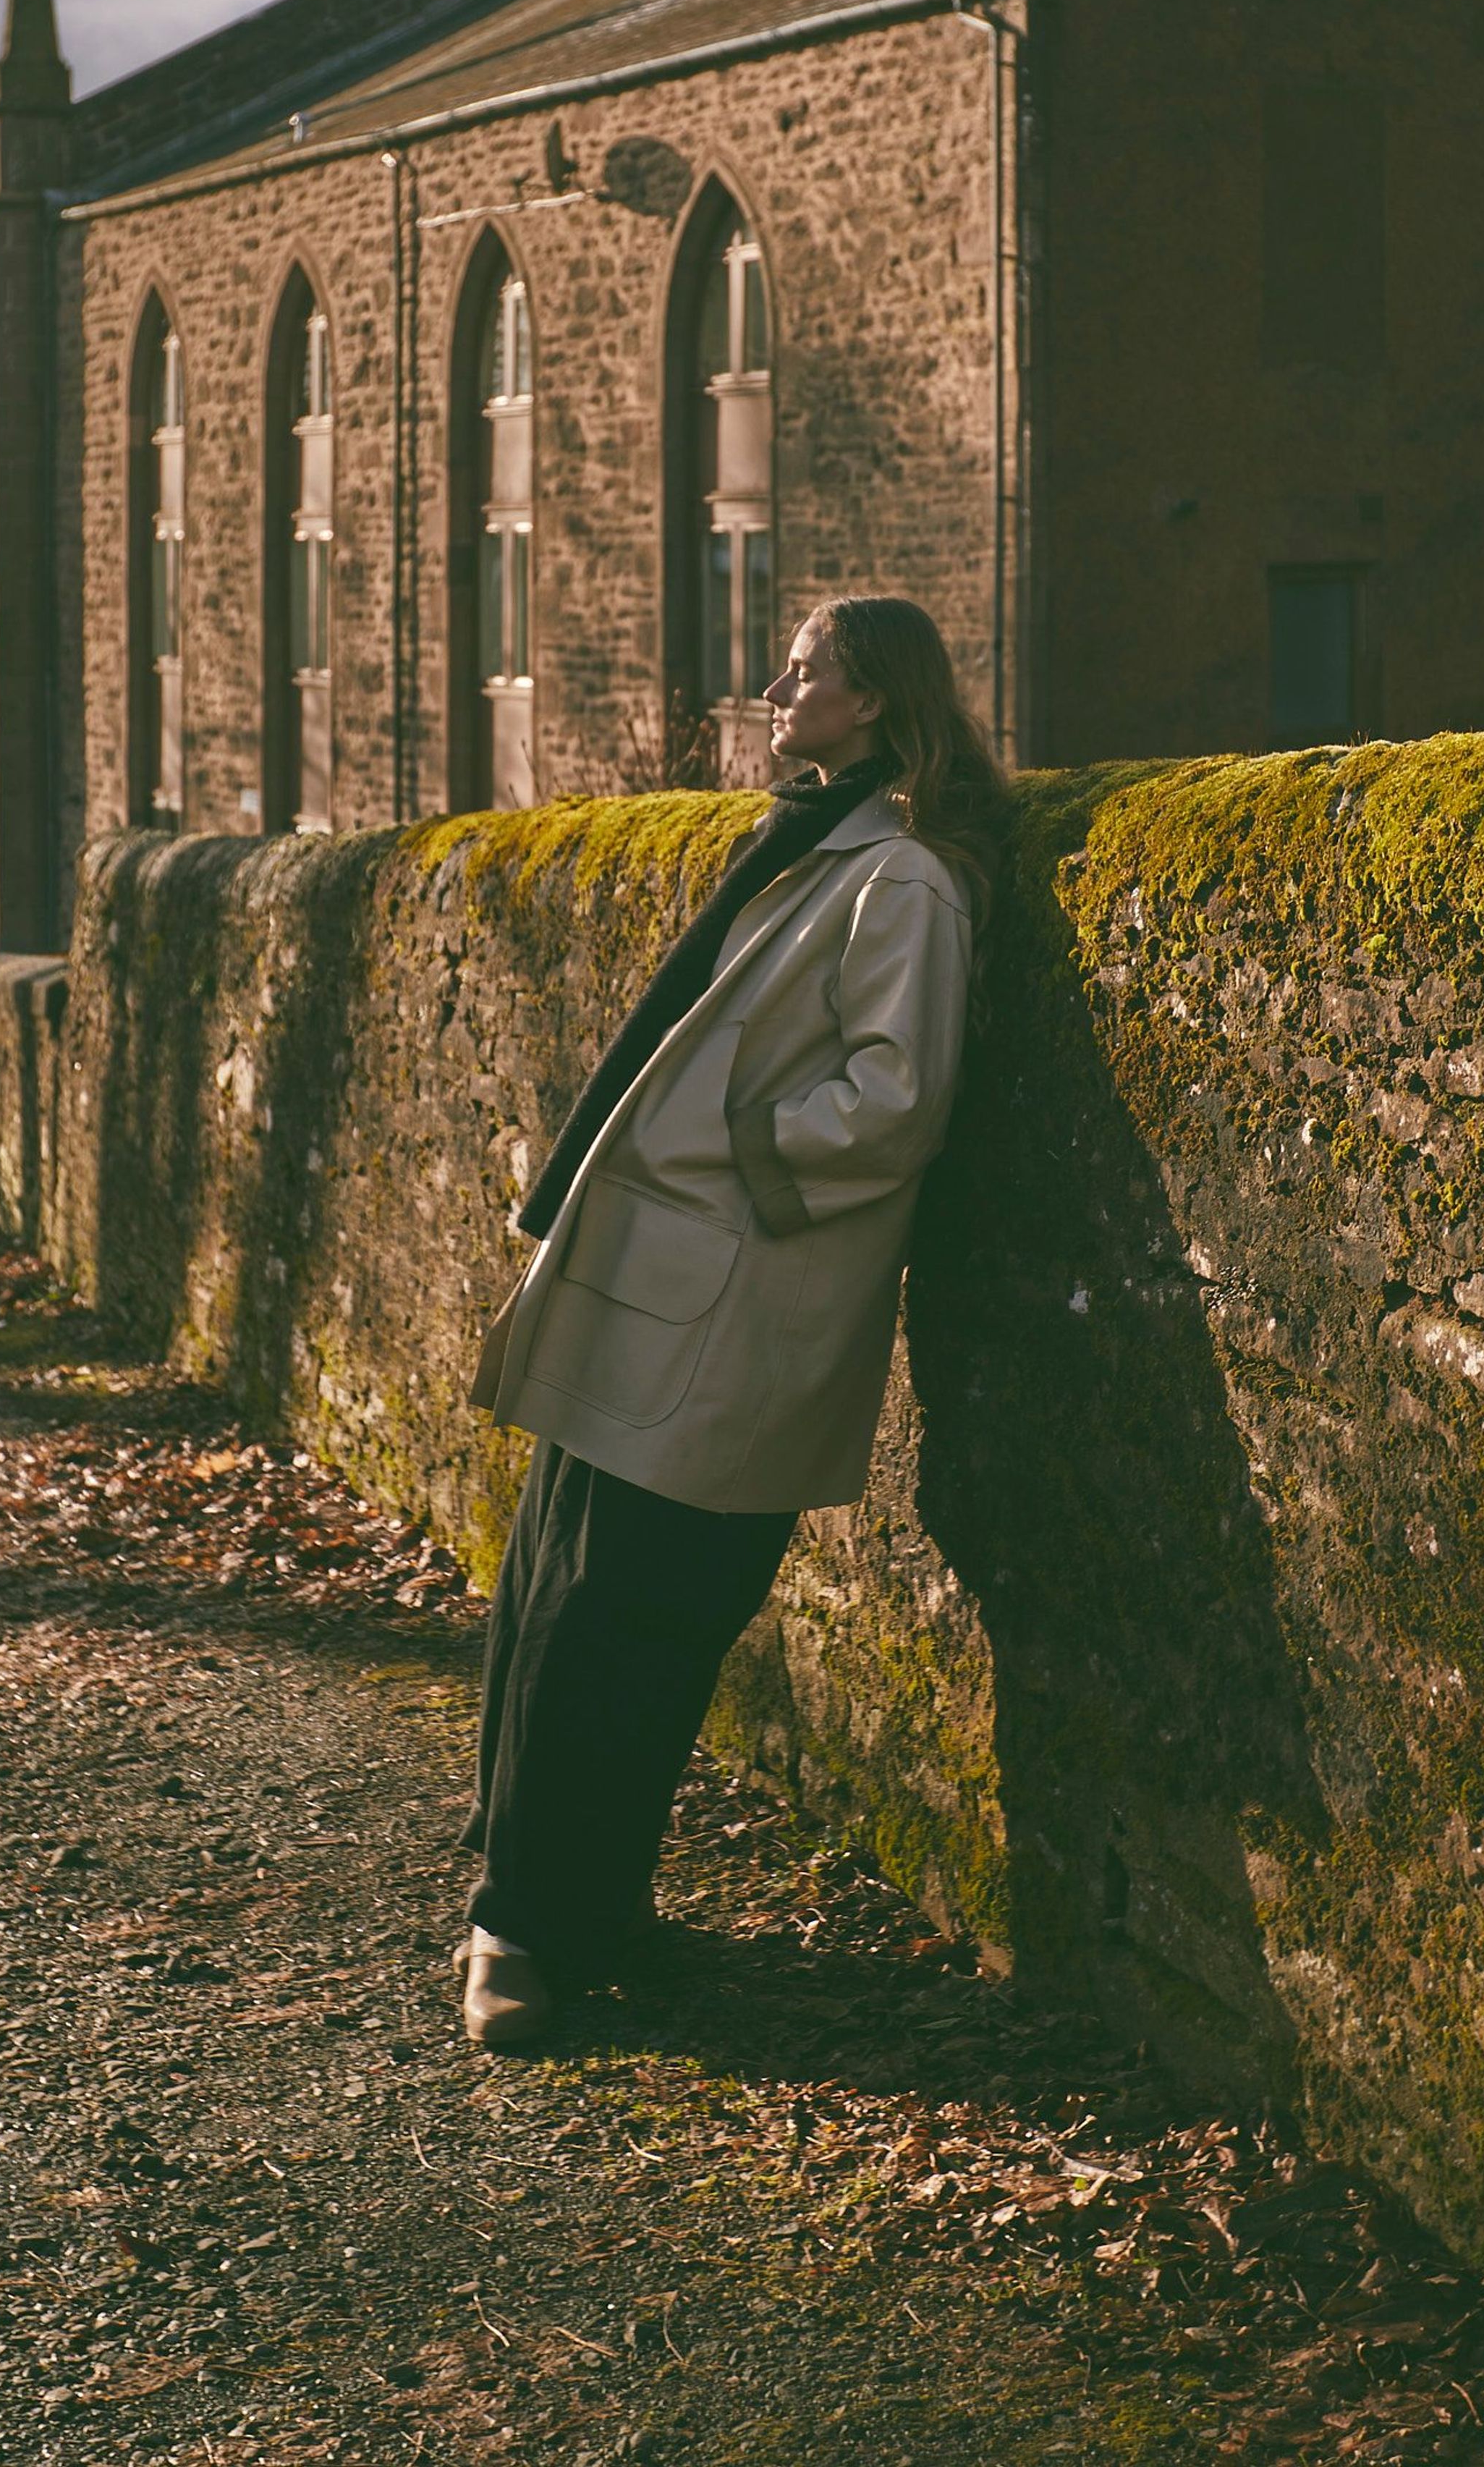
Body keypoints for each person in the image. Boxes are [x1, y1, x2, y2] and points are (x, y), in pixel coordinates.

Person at [455, 594, 1001, 2051]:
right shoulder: (812, 844)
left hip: (725, 1292)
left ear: (875, 703)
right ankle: (543, 1909)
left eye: (808, 671)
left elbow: (898, 1099)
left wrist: (737, 1151)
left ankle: (535, 1931)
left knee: (630, 1615)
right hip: (661, 1272)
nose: (775, 687)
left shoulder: (904, 883)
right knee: (558, 1595)